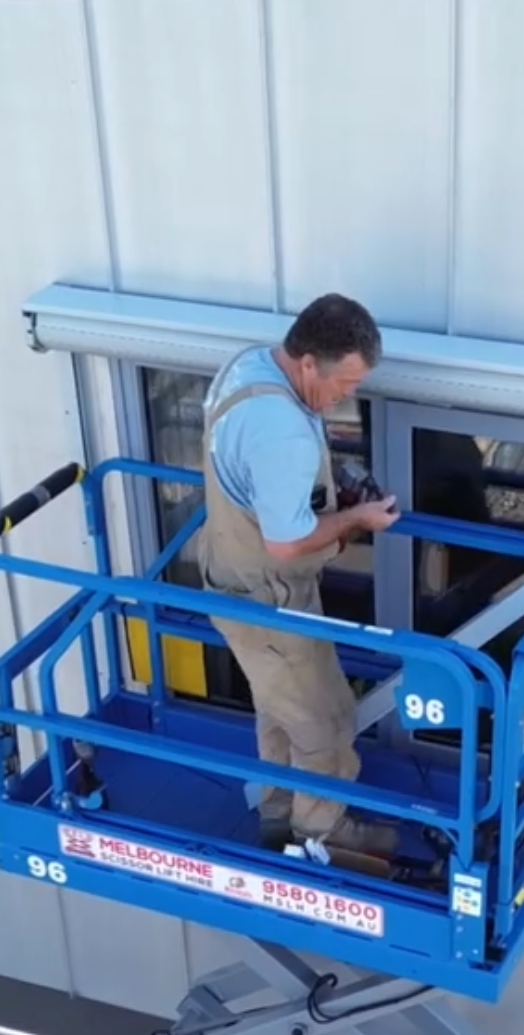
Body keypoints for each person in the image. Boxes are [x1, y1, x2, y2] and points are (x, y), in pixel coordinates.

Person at [196, 293, 401, 857]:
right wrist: (357, 518)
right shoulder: (281, 429)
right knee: (324, 721)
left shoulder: (253, 366)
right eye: (344, 383)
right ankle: (321, 834)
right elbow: (285, 542)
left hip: (235, 576)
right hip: (269, 592)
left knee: (278, 708)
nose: (347, 396)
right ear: (308, 361)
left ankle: (277, 815)